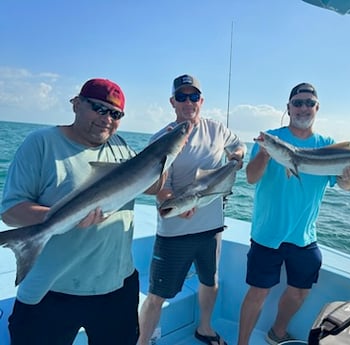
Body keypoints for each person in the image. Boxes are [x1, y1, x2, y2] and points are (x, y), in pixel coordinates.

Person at [1, 78, 164, 345]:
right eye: (99, 109)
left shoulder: (121, 145)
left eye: (115, 114)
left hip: (117, 288)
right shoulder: (41, 144)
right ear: (76, 104)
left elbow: (153, 185)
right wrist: (64, 217)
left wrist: (169, 153)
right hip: (53, 291)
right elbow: (11, 211)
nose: (106, 119)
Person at [237, 82, 350, 345]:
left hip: (304, 235)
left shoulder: (327, 146)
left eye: (309, 103)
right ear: (288, 107)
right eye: (298, 103)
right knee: (257, 293)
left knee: (299, 293)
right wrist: (266, 152)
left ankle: (278, 332)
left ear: (317, 108)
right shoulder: (270, 136)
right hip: (267, 233)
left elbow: (343, 185)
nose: (303, 108)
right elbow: (251, 178)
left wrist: (349, 178)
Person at [138, 74, 246, 345]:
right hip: (174, 230)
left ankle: (205, 328)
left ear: (202, 100)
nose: (189, 102)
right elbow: (160, 189)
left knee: (210, 282)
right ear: (172, 101)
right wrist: (178, 203)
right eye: (182, 97)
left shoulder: (217, 129)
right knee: (157, 295)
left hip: (211, 228)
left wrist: (236, 158)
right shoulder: (160, 139)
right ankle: (141, 341)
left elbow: (239, 146)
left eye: (194, 96)